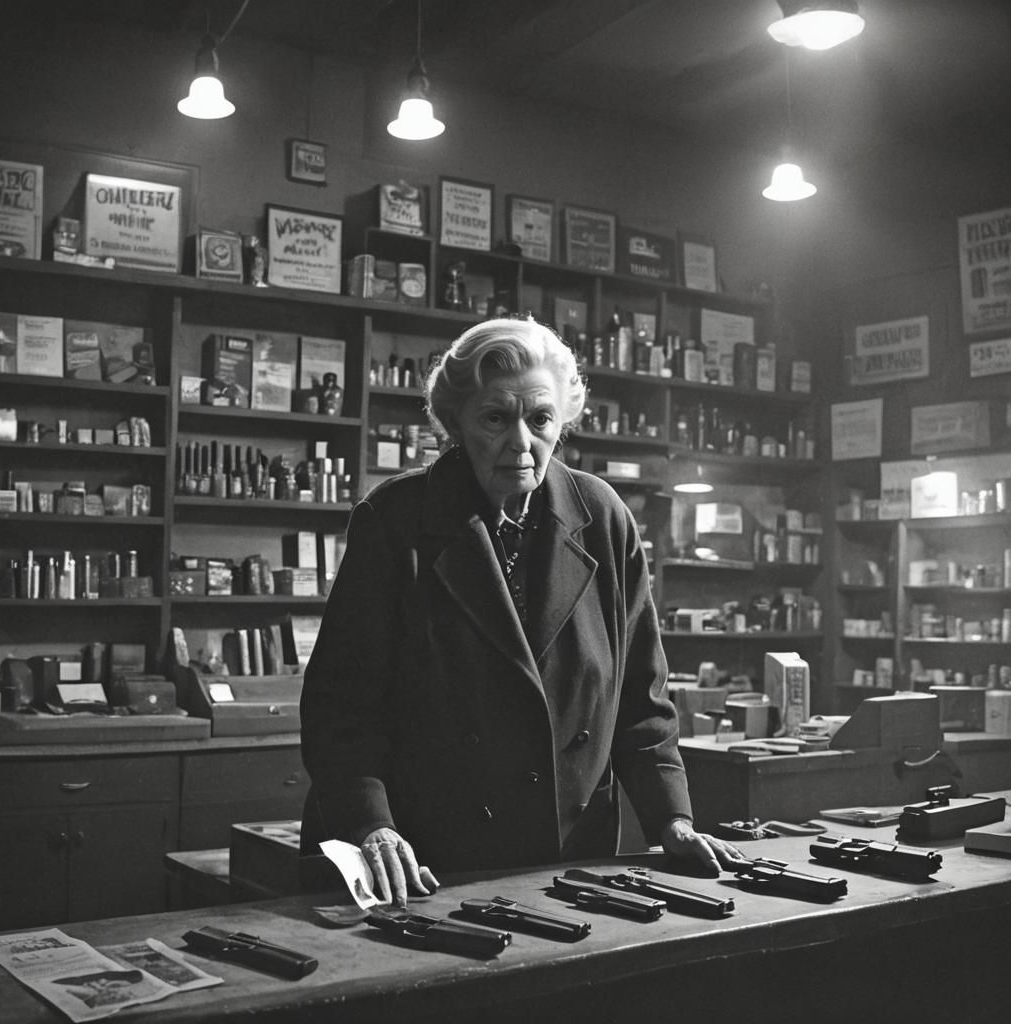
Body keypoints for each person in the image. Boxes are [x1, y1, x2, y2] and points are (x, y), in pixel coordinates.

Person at [300, 316, 741, 905]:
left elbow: (642, 696)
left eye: (540, 419)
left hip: (570, 858)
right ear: (455, 422)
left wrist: (673, 820)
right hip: (428, 865)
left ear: (562, 422)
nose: (521, 442)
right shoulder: (395, 522)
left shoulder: (602, 517)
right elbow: (341, 708)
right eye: (495, 419)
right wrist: (371, 826)